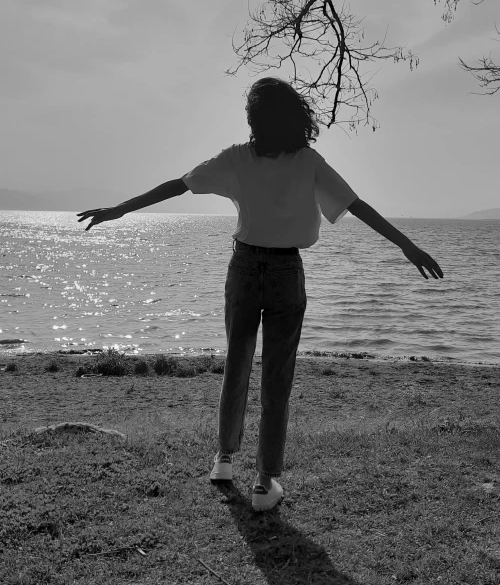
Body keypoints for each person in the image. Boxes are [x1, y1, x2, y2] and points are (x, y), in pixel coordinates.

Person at [77, 77, 443, 512]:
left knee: (237, 364)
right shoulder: (308, 161)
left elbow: (179, 184)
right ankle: (266, 480)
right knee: (277, 376)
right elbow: (356, 206)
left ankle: (224, 460)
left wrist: (121, 209)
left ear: (255, 119)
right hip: (287, 270)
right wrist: (406, 245)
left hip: (245, 266)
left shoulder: (237, 159)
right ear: (294, 117)